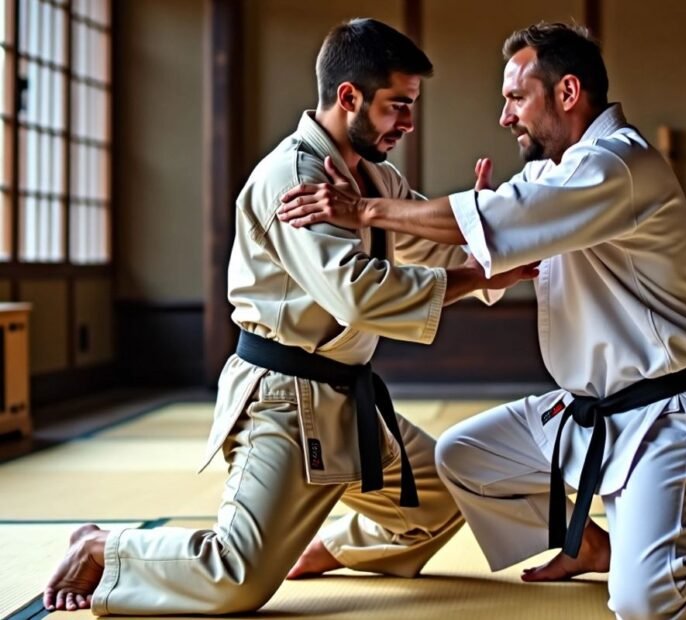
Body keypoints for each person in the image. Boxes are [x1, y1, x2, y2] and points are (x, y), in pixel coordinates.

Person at [276, 22, 686, 619]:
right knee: (462, 458)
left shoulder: (618, 167)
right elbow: (488, 234)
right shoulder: (552, 171)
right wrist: (473, 237)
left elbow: (491, 219)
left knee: (648, 604)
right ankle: (590, 545)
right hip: (584, 412)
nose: (506, 117)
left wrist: (365, 209)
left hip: (665, 416)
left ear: (567, 93)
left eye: (515, 98)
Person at [43, 18, 536, 615]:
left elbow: (430, 250)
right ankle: (103, 546)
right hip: (285, 403)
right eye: (397, 106)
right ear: (349, 96)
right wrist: (478, 275)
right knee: (237, 581)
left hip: (348, 405)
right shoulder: (295, 176)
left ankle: (326, 546)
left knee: (449, 495)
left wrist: (488, 237)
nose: (407, 123)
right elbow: (357, 295)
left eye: (411, 107)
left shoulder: (376, 175)